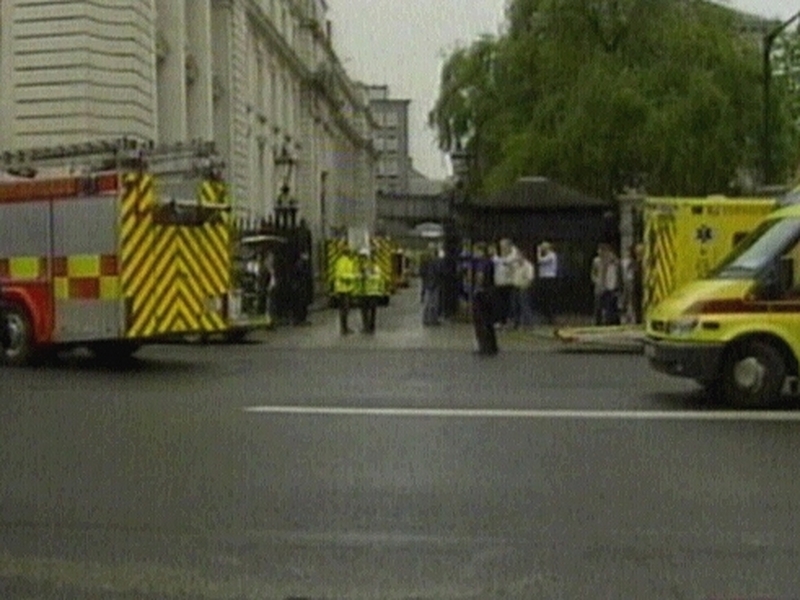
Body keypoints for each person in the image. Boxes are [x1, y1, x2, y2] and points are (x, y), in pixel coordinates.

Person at [471, 243, 498, 356]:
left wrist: (475, 288)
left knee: (480, 321)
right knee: (489, 321)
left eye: (476, 251)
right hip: (490, 293)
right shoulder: (490, 262)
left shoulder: (481, 263)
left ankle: (484, 347)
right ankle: (492, 346)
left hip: (481, 294)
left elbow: (480, 277)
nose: (474, 254)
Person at [357, 248, 385, 334]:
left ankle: (368, 327)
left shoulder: (369, 267)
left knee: (368, 311)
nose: (361, 259)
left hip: (369, 291)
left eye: (363, 257)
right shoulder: (366, 267)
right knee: (368, 311)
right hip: (366, 291)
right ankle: (369, 327)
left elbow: (378, 278)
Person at [333, 246, 358, 335]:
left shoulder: (348, 261)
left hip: (347, 289)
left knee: (346, 310)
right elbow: (341, 275)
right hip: (342, 289)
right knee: (344, 309)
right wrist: (352, 277)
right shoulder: (342, 261)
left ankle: (345, 328)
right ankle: (344, 329)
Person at [536, 241, 558, 325]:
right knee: (544, 299)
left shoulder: (552, 255)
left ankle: (551, 318)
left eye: (543, 247)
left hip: (549, 279)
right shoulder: (545, 255)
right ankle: (546, 316)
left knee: (549, 299)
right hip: (543, 278)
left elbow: (540, 261)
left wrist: (538, 252)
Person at [511, 250, 535, 328]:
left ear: (523, 256)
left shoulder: (528, 266)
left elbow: (530, 278)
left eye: (518, 256)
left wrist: (525, 286)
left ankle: (529, 324)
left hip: (523, 287)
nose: (517, 258)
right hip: (515, 286)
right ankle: (516, 324)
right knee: (515, 306)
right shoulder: (516, 265)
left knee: (524, 306)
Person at [420, 246, 443, 326]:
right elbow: (439, 272)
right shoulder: (436, 262)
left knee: (431, 303)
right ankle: (431, 320)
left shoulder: (426, 262)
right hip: (433, 284)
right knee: (432, 303)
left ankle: (428, 320)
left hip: (430, 284)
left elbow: (422, 273)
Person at [290, 251, 313, 326]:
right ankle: (300, 319)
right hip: (300, 287)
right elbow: (303, 274)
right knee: (301, 303)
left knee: (300, 304)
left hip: (299, 287)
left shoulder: (300, 264)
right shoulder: (301, 264)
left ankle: (298, 319)